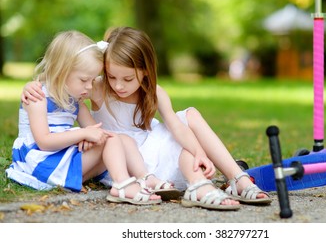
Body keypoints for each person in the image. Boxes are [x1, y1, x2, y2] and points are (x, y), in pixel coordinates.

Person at [22, 26, 272, 210]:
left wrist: (199, 152)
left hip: (150, 146)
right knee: (178, 141)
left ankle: (235, 179)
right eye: (111, 76)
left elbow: (176, 127)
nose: (118, 86)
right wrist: (30, 87)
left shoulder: (154, 93)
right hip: (125, 157)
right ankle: (201, 186)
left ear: (144, 72)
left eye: (128, 79)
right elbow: (62, 79)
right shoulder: (97, 87)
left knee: (189, 118)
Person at [9, 30, 161, 205]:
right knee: (112, 140)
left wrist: (91, 136)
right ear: (61, 72)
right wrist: (83, 134)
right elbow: (44, 141)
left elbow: (98, 132)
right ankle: (122, 184)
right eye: (83, 80)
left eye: (93, 79)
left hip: (63, 158)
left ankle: (144, 177)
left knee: (121, 139)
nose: (90, 87)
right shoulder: (37, 97)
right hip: (42, 162)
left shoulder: (76, 101)